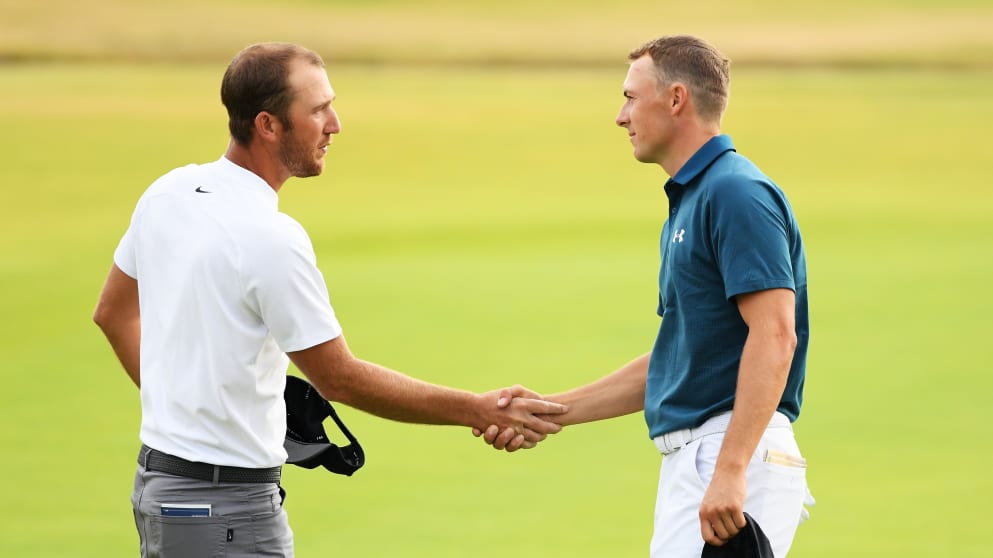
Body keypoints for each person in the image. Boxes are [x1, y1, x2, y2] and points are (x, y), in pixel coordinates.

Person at [92, 42, 567, 558]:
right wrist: (475, 409)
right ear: (269, 125)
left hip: (160, 487)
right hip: (225, 509)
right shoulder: (272, 237)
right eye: (317, 110)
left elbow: (112, 314)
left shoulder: (168, 193)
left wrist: (188, 406)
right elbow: (338, 377)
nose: (335, 123)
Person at [479, 35, 812, 557]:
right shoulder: (696, 198)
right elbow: (677, 359)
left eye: (632, 97)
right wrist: (551, 411)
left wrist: (729, 470)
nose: (620, 115)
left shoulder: (735, 193)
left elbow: (775, 333)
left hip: (729, 453)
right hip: (701, 456)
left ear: (676, 99)